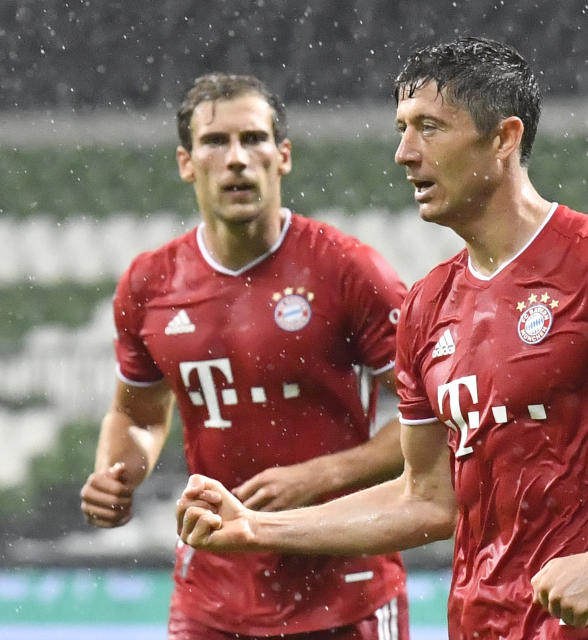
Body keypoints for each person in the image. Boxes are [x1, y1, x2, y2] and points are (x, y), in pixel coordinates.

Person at [175, 37, 588, 639]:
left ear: (504, 138)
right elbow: (424, 498)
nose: (403, 153)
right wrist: (256, 528)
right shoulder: (425, 306)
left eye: (429, 128)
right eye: (402, 128)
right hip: (475, 623)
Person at [79, 73, 410, 639]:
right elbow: (137, 414)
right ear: (186, 162)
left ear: (282, 158)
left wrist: (321, 475)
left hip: (344, 591)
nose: (236, 159)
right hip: (211, 595)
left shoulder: (349, 271)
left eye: (253, 139)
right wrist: (116, 473)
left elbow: (434, 415)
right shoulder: (149, 284)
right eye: (215, 142)